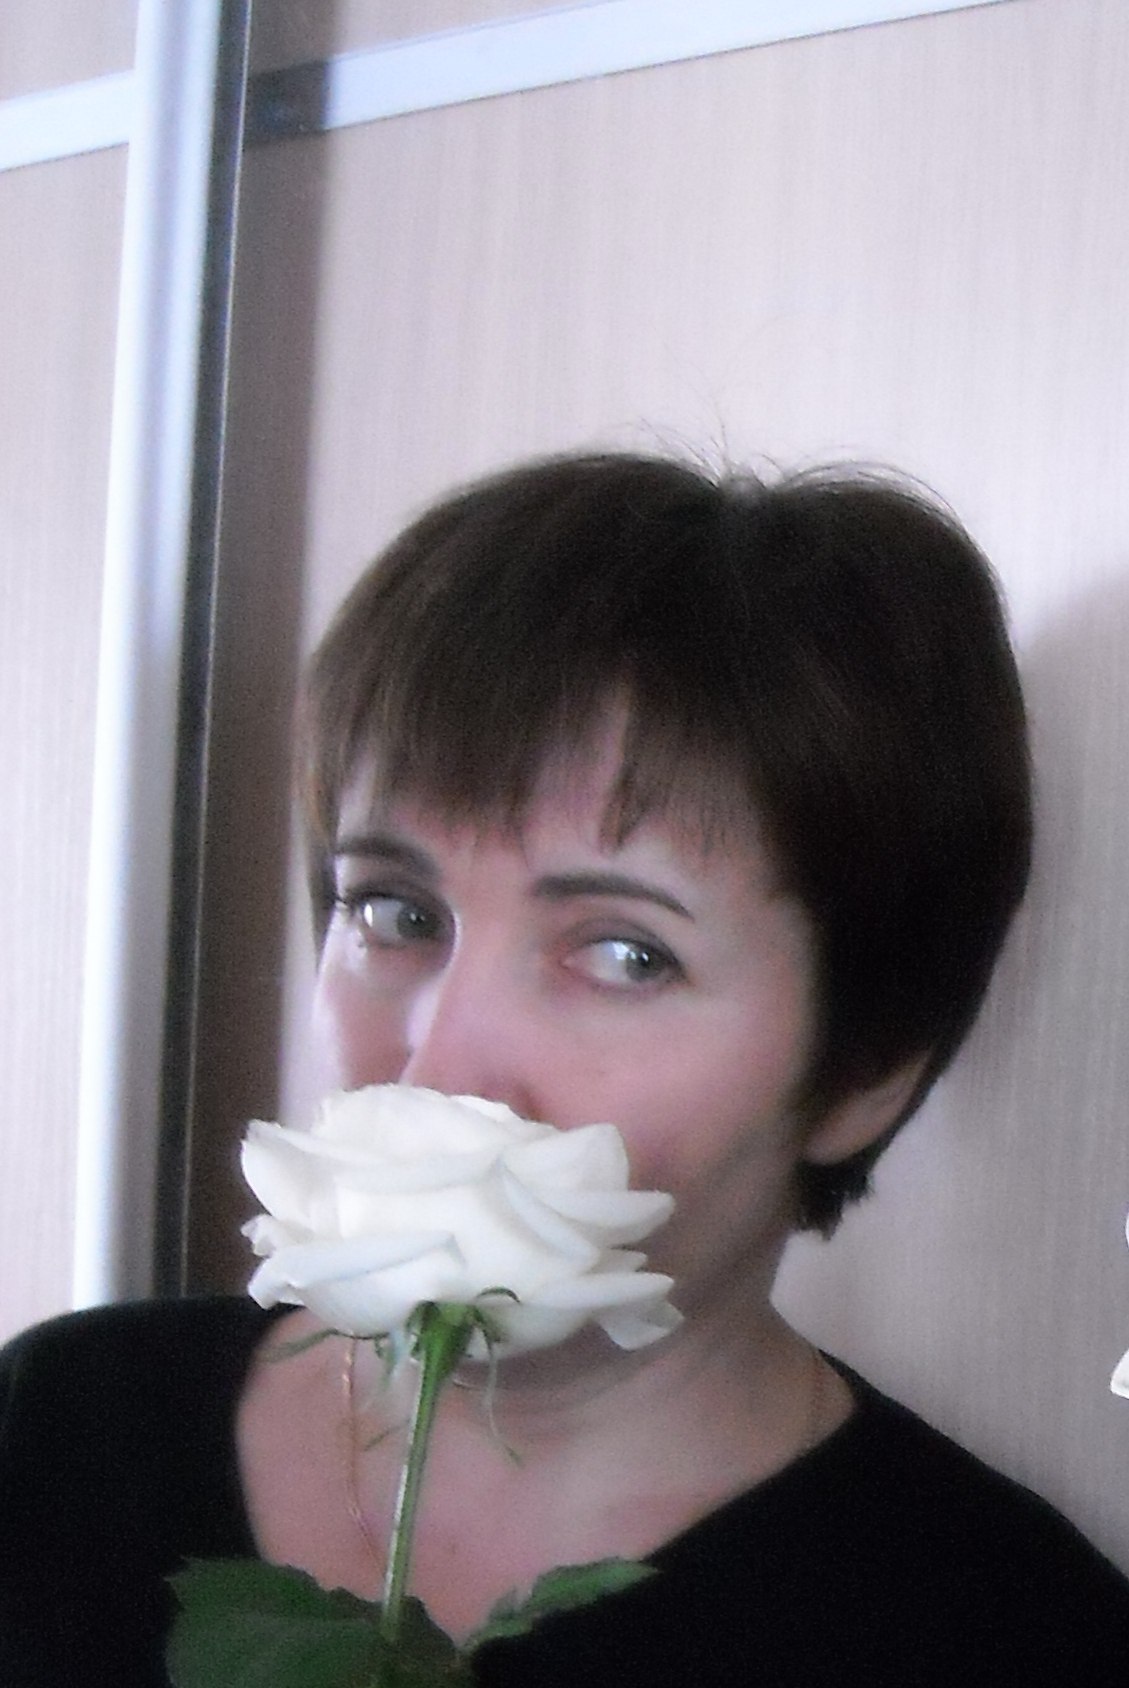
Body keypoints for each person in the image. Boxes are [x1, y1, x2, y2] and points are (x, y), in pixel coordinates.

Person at [2, 450, 1127, 1686]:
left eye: (626, 952)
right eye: (395, 911)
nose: (442, 1059)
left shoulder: (1008, 1636)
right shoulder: (60, 1426)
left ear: (865, 1068)